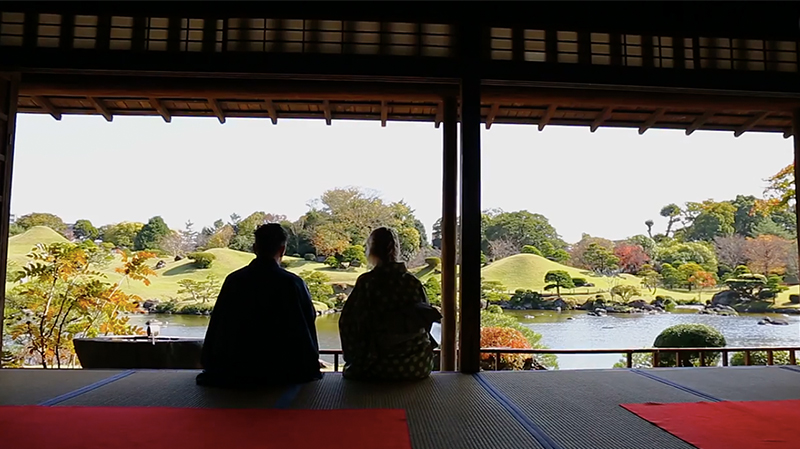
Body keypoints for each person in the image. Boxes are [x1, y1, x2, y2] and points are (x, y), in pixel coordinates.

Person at [197, 223, 322, 387]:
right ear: (283, 250)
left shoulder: (234, 280)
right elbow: (307, 324)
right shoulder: (293, 283)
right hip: (284, 370)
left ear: (255, 248)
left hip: (235, 369)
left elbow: (218, 325)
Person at [339, 227, 440, 381]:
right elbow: (426, 321)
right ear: (396, 250)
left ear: (372, 250)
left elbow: (348, 323)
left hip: (376, 365)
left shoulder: (368, 282)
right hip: (417, 364)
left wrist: (354, 355)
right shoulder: (412, 282)